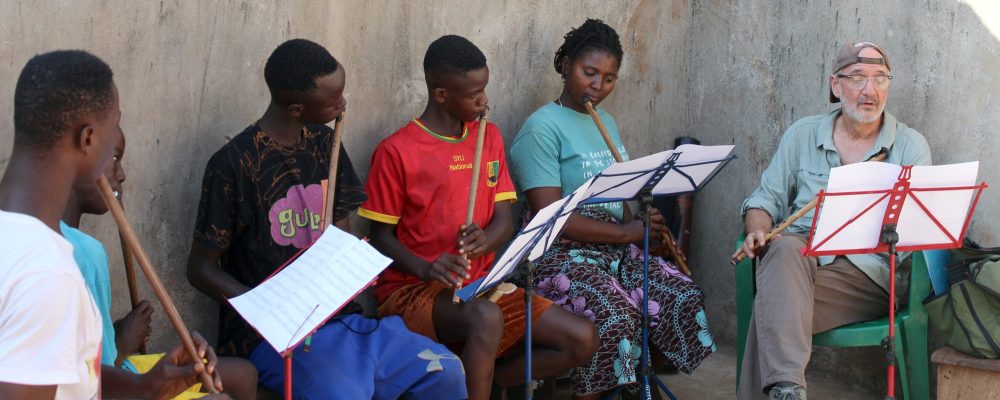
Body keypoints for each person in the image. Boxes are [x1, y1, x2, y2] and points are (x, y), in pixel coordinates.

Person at [186, 38, 468, 400]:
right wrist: (265, 307)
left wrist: (351, 263)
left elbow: (340, 234)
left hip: (341, 319)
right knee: (344, 393)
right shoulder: (234, 164)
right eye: (333, 100)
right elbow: (199, 269)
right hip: (272, 337)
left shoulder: (325, 142)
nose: (343, 103)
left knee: (444, 369)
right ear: (296, 108)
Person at [361, 35, 598, 400]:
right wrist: (427, 268)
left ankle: (490, 381)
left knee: (582, 339)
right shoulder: (397, 150)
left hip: (481, 287)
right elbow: (380, 237)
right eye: (474, 94)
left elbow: (504, 219)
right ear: (441, 94)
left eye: (484, 89)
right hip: (413, 291)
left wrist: (485, 240)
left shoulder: (488, 137)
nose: (484, 100)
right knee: (485, 318)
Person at [508, 19, 716, 399]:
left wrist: (643, 225)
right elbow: (551, 216)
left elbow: (620, 197)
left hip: (614, 248)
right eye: (589, 73)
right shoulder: (541, 128)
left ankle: (632, 384)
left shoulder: (606, 122)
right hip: (558, 254)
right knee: (616, 314)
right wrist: (626, 233)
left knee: (680, 294)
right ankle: (599, 392)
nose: (598, 86)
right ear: (567, 65)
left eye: (609, 78)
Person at [0, 50, 221, 400]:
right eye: (112, 127)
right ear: (88, 139)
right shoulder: (46, 275)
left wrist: (146, 388)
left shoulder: (18, 241)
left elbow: (67, 379)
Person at [733, 41, 932, 399]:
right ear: (835, 85)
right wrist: (758, 229)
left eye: (880, 79)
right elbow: (764, 200)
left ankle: (785, 388)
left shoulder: (909, 146)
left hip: (866, 275)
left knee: (773, 314)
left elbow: (918, 232)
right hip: (798, 262)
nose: (870, 91)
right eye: (857, 78)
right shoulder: (802, 134)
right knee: (781, 251)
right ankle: (788, 389)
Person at [62, 125, 258, 399]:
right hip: (104, 385)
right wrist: (121, 344)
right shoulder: (83, 253)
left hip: (107, 375)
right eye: (115, 158)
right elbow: (94, 381)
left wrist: (118, 336)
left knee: (241, 374)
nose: (122, 175)